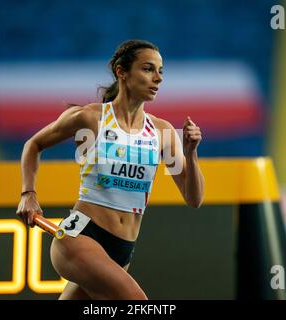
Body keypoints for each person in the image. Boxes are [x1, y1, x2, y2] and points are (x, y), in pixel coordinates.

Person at [16, 39, 204, 300]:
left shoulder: (162, 132)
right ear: (121, 72)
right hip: (80, 237)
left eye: (161, 71)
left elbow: (194, 198)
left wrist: (191, 153)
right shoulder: (90, 118)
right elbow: (33, 144)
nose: (158, 78)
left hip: (122, 251)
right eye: (148, 69)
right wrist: (28, 193)